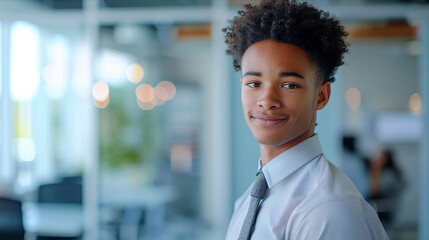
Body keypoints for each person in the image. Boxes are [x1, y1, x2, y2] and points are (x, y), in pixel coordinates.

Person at [222, 0, 389, 239]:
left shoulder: (329, 210)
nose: (267, 100)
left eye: (289, 85)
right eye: (254, 84)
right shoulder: (249, 199)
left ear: (321, 95)